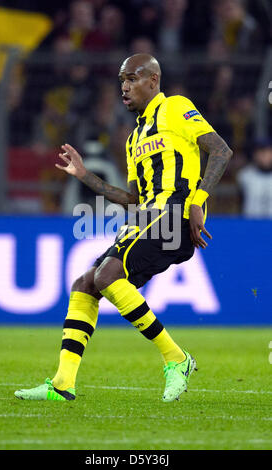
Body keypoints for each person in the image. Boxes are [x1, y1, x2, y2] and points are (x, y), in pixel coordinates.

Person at [15, 54, 233, 403]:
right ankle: (61, 383)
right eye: (121, 81)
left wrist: (197, 201)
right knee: (85, 284)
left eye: (132, 78)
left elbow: (221, 151)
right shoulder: (134, 138)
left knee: (107, 276)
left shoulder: (175, 108)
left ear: (154, 81)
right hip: (147, 217)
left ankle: (176, 359)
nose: (124, 87)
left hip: (176, 213)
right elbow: (134, 198)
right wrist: (87, 178)